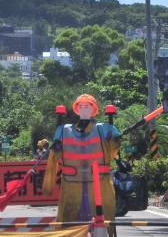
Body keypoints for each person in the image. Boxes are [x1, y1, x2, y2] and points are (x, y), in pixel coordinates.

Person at [42, 94, 120, 224]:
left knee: (102, 224)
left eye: (87, 106)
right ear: (77, 109)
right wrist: (48, 186)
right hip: (72, 185)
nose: (84, 109)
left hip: (99, 184)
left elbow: (114, 148)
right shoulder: (64, 130)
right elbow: (54, 156)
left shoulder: (104, 129)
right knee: (71, 223)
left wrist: (115, 139)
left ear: (93, 109)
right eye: (81, 106)